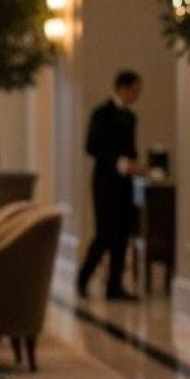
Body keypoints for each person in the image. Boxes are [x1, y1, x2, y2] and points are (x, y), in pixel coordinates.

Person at [76, 69, 146, 301]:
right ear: (122, 88)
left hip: (124, 185)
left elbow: (130, 148)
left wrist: (134, 165)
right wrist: (119, 163)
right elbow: (92, 147)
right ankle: (84, 277)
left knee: (122, 234)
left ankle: (114, 286)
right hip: (105, 183)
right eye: (134, 90)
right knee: (104, 233)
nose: (136, 95)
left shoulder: (131, 117)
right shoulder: (101, 114)